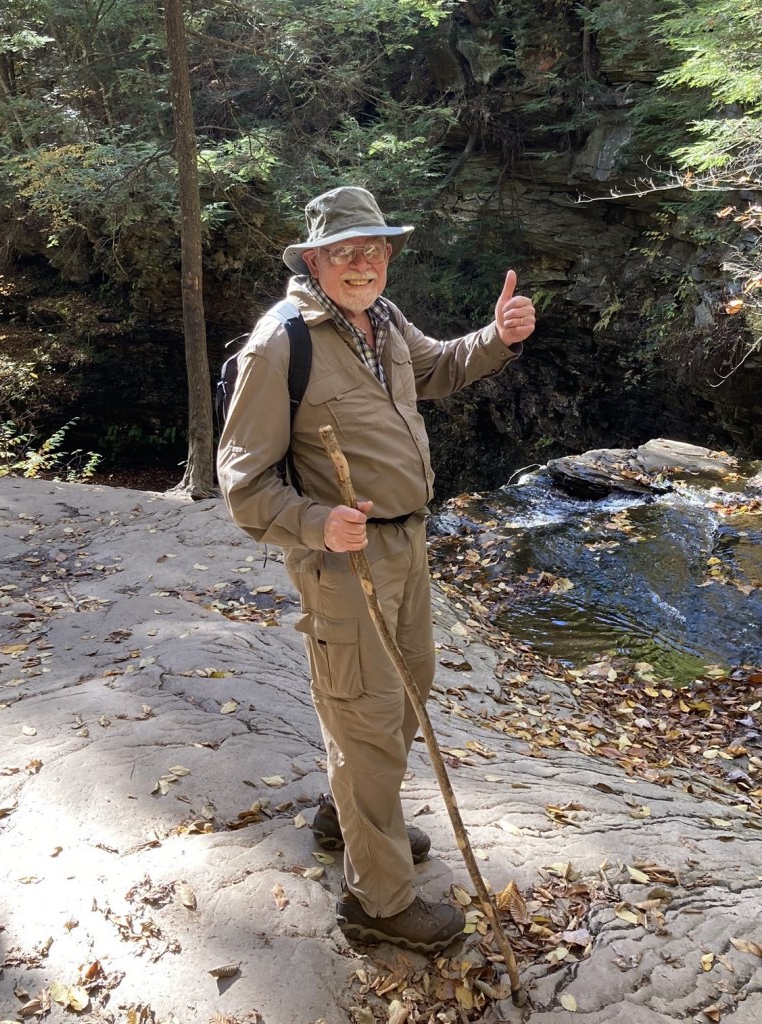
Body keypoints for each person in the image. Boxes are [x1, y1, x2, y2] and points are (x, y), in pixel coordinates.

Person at [217, 185, 535, 953]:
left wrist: (496, 336)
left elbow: (439, 369)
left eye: (374, 249)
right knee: (364, 717)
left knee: (403, 699)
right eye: (345, 252)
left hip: (408, 545)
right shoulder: (280, 343)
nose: (362, 263)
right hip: (343, 564)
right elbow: (242, 480)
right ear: (315, 259)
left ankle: (346, 819)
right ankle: (379, 902)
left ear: (387, 255)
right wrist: (315, 522)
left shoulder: (382, 321)